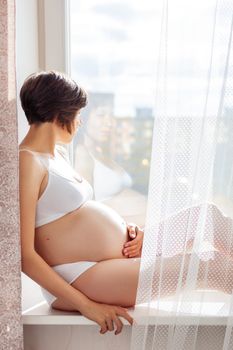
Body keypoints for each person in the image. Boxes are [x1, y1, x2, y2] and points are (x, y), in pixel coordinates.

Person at [19, 70, 233, 336]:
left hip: (116, 256)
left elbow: (73, 221)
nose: (80, 122)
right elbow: (25, 256)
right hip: (79, 276)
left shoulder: (57, 155)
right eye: (77, 114)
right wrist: (87, 306)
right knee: (212, 267)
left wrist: (126, 230)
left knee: (207, 217)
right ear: (59, 113)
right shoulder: (26, 161)